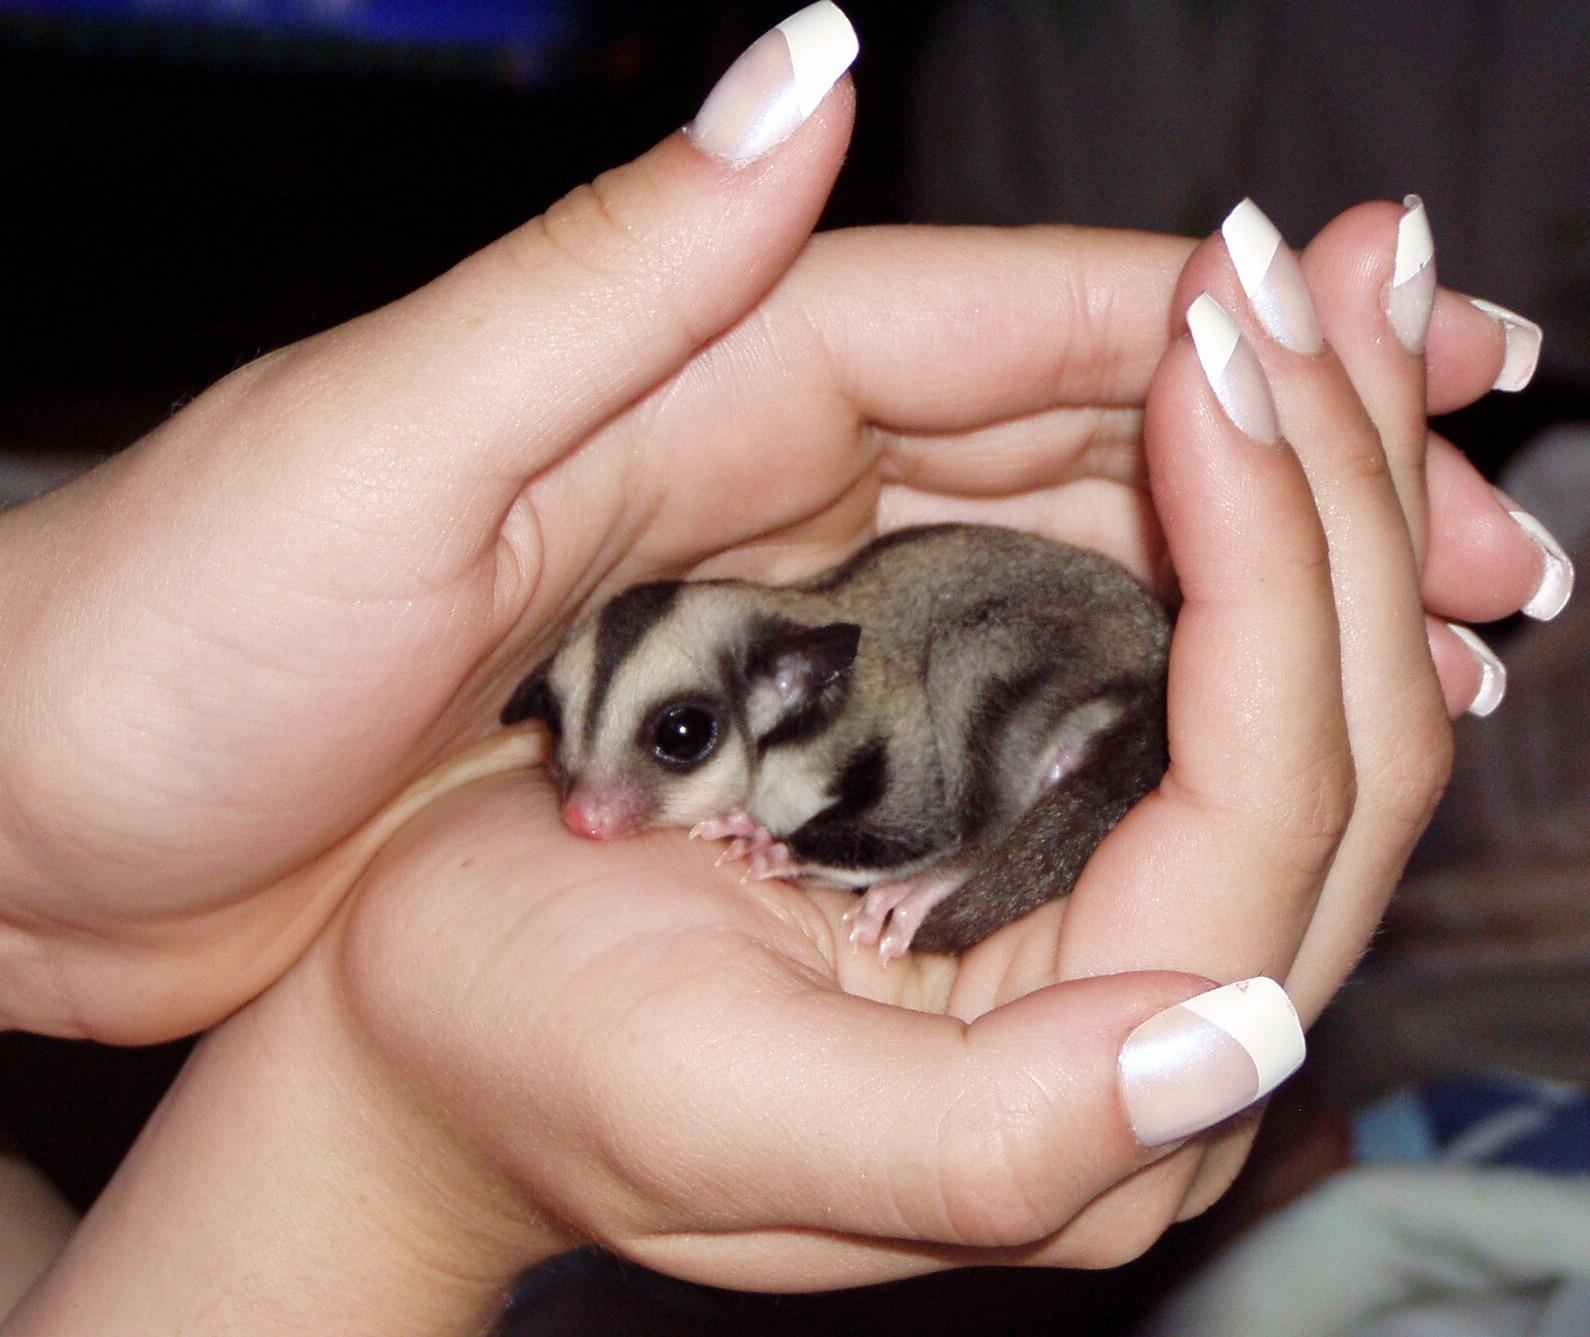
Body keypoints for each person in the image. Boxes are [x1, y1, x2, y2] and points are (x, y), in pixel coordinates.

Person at [0, 4, 1570, 1331]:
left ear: (789, 687)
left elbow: (931, 796)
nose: (595, 811)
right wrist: (375, 1118)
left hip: (1054, 712)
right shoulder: (780, 691)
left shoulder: (857, 698)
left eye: (670, 742)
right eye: (587, 749)